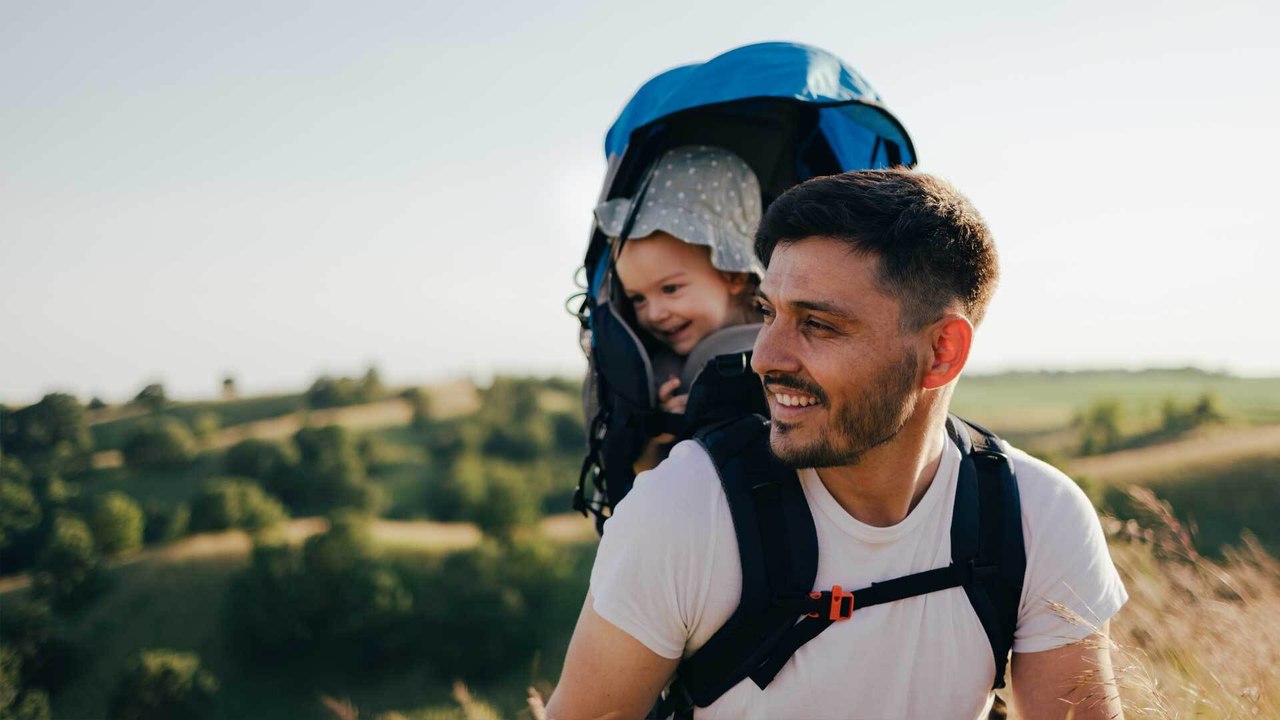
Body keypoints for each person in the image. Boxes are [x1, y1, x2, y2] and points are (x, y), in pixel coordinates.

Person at [548, 169, 1128, 719]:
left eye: (819, 324)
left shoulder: (1037, 516)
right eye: (767, 313)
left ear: (942, 351)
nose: (766, 358)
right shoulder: (683, 512)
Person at [596, 145, 765, 469]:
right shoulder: (665, 376)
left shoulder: (787, 337)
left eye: (670, 289)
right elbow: (642, 473)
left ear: (732, 273)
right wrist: (662, 428)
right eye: (637, 298)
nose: (654, 313)